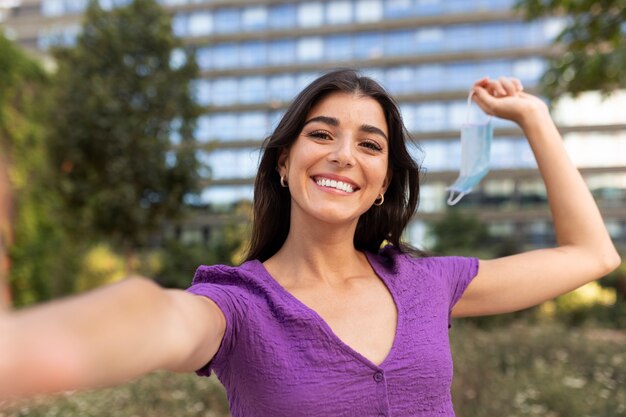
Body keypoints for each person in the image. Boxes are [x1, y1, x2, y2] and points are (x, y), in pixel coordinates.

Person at [0, 69, 620, 416]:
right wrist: (27, 346)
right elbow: (153, 317)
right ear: (284, 163)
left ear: (382, 184)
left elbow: (593, 254)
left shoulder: (427, 283)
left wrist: (533, 118)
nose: (344, 156)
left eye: (370, 145)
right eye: (322, 134)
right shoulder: (238, 306)